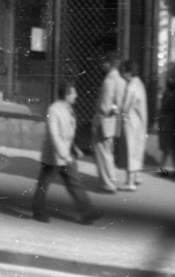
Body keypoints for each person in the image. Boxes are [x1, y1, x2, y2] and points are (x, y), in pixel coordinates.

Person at [32, 83, 100, 225]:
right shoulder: (54, 110)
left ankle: (88, 212)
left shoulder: (67, 109)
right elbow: (54, 135)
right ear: (67, 95)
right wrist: (64, 154)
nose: (76, 95)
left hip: (66, 154)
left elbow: (67, 133)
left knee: (73, 183)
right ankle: (38, 212)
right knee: (44, 184)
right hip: (54, 156)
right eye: (73, 93)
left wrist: (74, 148)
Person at [92, 52, 126, 193]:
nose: (102, 65)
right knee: (108, 152)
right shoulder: (122, 81)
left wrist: (95, 123)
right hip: (114, 122)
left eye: (104, 63)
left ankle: (107, 183)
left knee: (102, 152)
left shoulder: (109, 81)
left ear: (110, 64)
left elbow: (105, 107)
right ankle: (111, 180)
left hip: (104, 121)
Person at [118, 60, 148, 190]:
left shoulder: (131, 87)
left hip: (131, 121)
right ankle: (136, 176)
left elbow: (125, 106)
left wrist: (118, 109)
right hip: (141, 121)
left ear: (127, 72)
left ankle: (130, 182)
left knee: (130, 150)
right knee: (138, 148)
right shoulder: (139, 83)